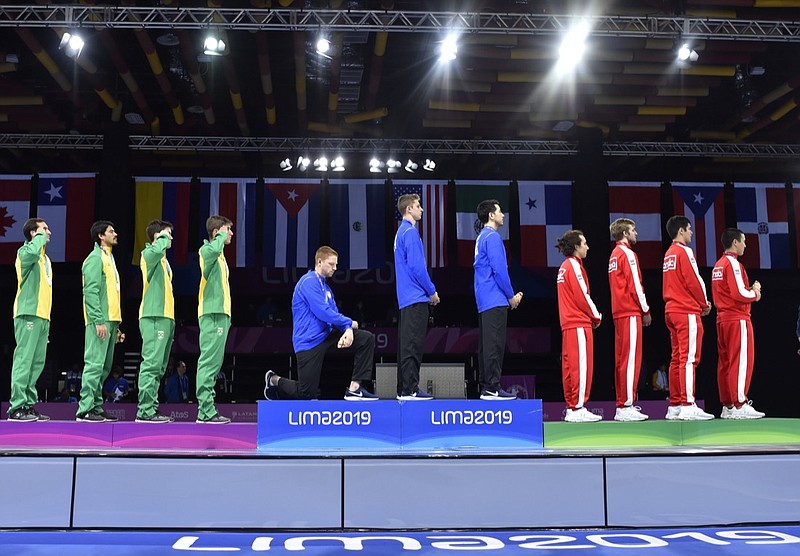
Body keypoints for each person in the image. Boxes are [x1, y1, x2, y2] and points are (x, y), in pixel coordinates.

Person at [264, 246, 377, 401]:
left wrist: (347, 328)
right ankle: (274, 380)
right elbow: (323, 312)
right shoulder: (308, 282)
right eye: (331, 264)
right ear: (319, 262)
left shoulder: (327, 288)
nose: (335, 268)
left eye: (336, 265)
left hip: (327, 335)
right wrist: (350, 322)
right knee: (307, 393)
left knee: (366, 338)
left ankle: (355, 389)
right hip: (308, 342)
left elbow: (334, 313)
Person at [662, 215, 714, 421]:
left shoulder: (669, 253)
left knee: (677, 359)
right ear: (681, 231)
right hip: (686, 311)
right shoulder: (684, 251)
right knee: (689, 358)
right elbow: (695, 281)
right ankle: (688, 404)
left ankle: (674, 405)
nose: (691, 233)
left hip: (671, 310)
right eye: (690, 229)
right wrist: (705, 303)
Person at [711, 228, 765, 419]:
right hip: (737, 319)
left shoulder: (718, 265)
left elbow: (728, 292)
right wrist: (756, 293)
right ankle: (740, 404)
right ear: (735, 242)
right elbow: (739, 294)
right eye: (743, 241)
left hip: (723, 319)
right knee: (741, 361)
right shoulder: (732, 263)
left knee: (725, 362)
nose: (745, 245)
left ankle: (728, 405)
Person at [474, 199, 522, 400]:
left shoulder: (482, 237)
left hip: (485, 298)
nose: (503, 214)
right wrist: (511, 296)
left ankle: (487, 386)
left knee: (487, 345)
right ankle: (492, 387)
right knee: (494, 344)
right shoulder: (492, 238)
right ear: (491, 215)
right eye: (500, 211)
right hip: (494, 297)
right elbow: (499, 270)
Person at [394, 193, 440, 400]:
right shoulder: (410, 233)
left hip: (406, 299)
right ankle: (410, 389)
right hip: (415, 297)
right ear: (409, 209)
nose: (421, 209)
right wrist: (432, 291)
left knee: (406, 345)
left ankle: (404, 389)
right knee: (413, 345)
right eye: (418, 206)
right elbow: (417, 267)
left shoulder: (400, 232)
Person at [77, 220, 123, 423]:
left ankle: (95, 405)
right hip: (100, 321)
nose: (115, 234)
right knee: (94, 365)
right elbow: (91, 292)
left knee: (104, 368)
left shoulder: (109, 259)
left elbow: (111, 295)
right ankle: (85, 409)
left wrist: (116, 325)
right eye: (111, 231)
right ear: (100, 236)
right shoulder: (95, 258)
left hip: (110, 321)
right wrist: (98, 320)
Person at [8, 218, 52, 422]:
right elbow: (32, 252)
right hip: (28, 313)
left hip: (43, 316)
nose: (48, 232)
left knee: (36, 363)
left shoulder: (44, 259)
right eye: (44, 229)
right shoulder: (25, 253)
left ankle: (28, 405)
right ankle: (16, 406)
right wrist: (39, 239)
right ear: (33, 234)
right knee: (24, 360)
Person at [556, 230, 603, 422]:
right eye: (584, 243)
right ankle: (578, 407)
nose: (588, 247)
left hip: (568, 324)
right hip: (578, 323)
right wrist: (596, 316)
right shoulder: (573, 266)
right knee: (580, 367)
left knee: (570, 367)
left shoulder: (564, 267)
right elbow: (582, 295)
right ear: (576, 246)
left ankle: (572, 407)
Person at [608, 218, 651, 422]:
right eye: (633, 230)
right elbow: (635, 285)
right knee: (631, 359)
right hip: (630, 311)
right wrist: (646, 310)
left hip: (619, 312)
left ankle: (623, 404)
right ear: (625, 233)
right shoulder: (627, 254)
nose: (636, 233)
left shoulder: (614, 255)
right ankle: (626, 405)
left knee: (622, 359)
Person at [135, 219, 176, 423]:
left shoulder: (163, 261)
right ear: (157, 237)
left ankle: (152, 407)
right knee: (151, 364)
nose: (171, 238)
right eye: (168, 234)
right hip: (154, 316)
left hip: (166, 316)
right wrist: (161, 239)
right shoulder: (149, 254)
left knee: (159, 367)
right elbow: (154, 250)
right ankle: (145, 411)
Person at [196, 215, 234, 424]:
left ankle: (207, 409)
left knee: (215, 363)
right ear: (217, 232)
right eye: (228, 229)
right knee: (209, 362)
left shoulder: (219, 256)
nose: (231, 234)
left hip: (221, 313)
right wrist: (219, 236)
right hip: (212, 313)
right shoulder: (207, 251)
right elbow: (212, 249)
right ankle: (205, 411)